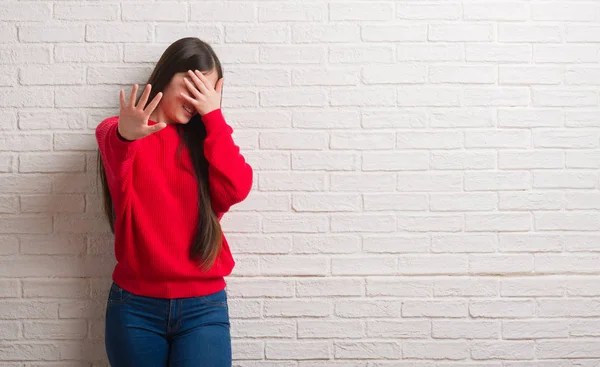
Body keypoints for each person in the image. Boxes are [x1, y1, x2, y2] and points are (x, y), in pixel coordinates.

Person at [95, 37, 253, 367]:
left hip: (204, 307)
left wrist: (214, 117)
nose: (196, 98)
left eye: (206, 91)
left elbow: (237, 187)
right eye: (191, 84)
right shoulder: (127, 135)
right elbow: (112, 138)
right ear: (167, 75)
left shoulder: (209, 146)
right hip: (135, 308)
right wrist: (126, 133)